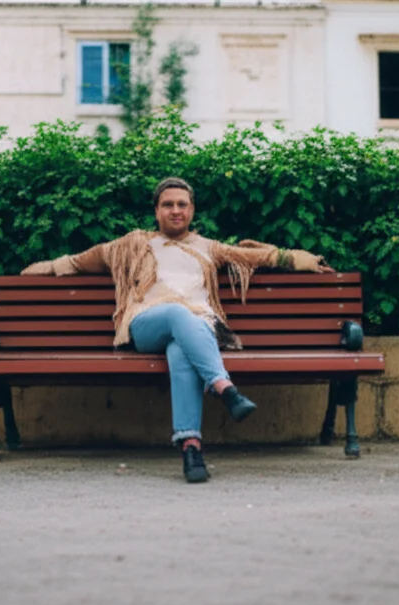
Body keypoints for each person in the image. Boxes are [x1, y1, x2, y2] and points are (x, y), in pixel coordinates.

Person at [20, 177, 333, 483]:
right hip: (146, 324)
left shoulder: (209, 248)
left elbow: (259, 256)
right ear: (156, 210)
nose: (175, 210)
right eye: (167, 204)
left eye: (182, 204)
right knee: (177, 312)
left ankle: (191, 448)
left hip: (196, 330)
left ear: (192, 210)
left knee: (181, 349)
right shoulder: (131, 245)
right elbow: (76, 262)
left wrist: (301, 260)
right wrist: (39, 270)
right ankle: (223, 386)